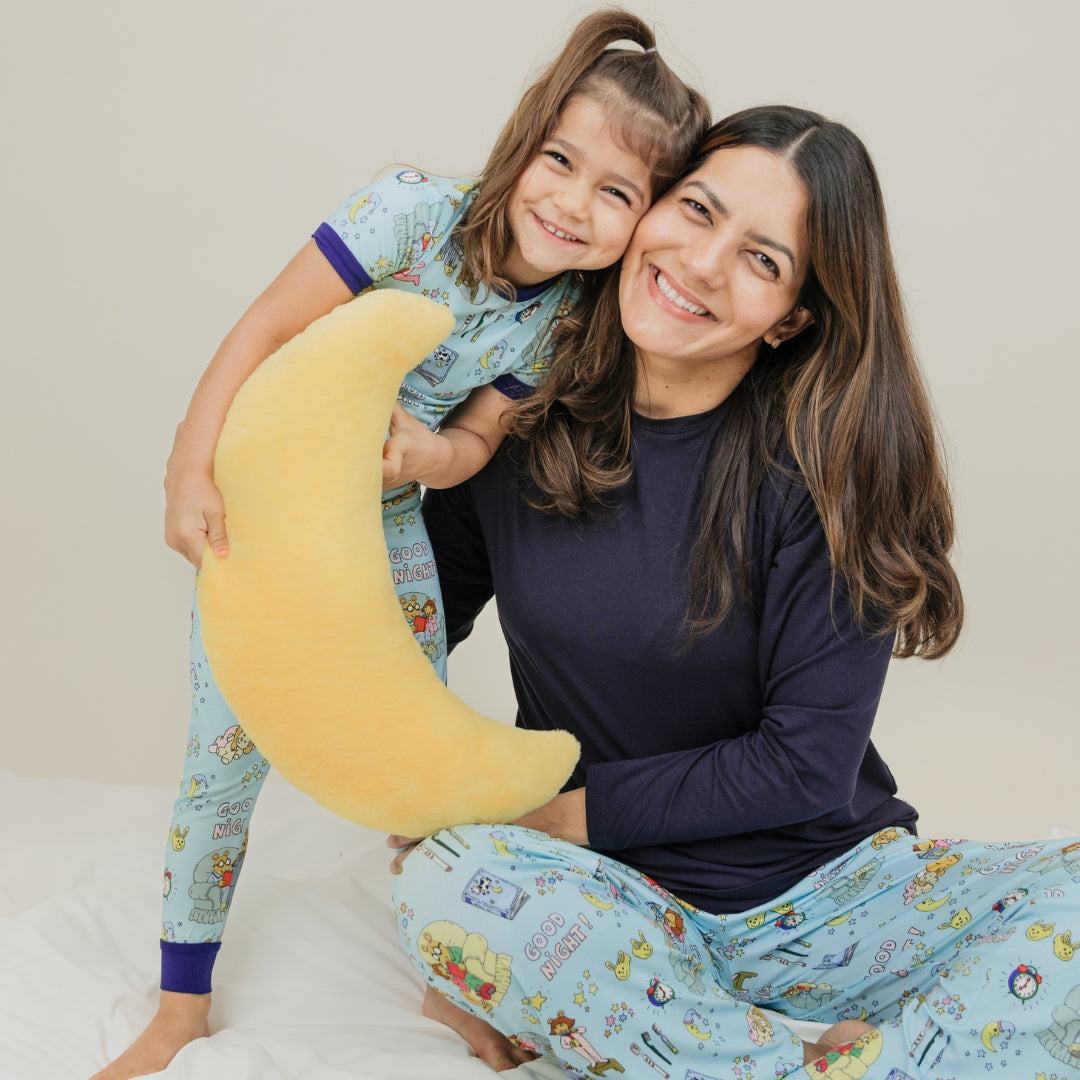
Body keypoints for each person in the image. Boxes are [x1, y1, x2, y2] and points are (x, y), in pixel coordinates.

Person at [389, 106, 1080, 1077]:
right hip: (613, 903)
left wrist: (552, 816)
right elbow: (408, 634)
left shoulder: (824, 474)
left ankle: (756, 1053)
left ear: (794, 313)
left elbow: (804, 767)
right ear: (648, 207)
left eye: (762, 259)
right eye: (695, 210)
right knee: (445, 885)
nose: (704, 264)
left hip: (835, 899)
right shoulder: (509, 428)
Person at [90, 12, 709, 1080]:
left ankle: (448, 975)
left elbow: (478, 437)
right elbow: (262, 331)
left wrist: (428, 455)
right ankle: (179, 1008)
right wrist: (189, 465)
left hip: (386, 525)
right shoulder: (409, 214)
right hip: (276, 512)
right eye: (562, 162)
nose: (573, 203)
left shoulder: (561, 321)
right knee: (218, 769)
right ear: (527, 138)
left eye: (617, 194)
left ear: (644, 222)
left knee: (422, 760)